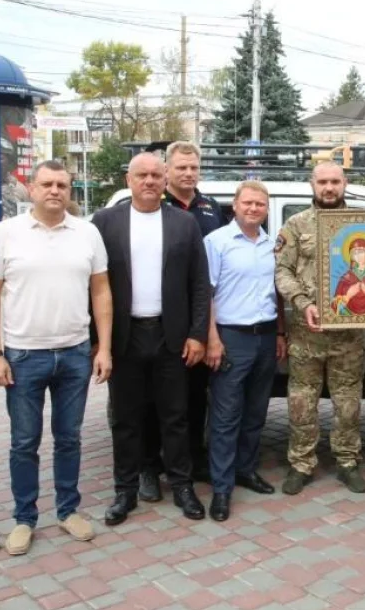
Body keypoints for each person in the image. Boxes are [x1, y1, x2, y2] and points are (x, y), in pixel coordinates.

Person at [0, 160, 113, 556]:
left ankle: (68, 510)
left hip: (75, 354)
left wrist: (104, 348)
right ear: (32, 188)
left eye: (62, 185)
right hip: (23, 356)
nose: (55, 191)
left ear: (70, 190)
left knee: (69, 438)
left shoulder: (87, 233)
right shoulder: (6, 233)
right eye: (47, 184)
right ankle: (24, 518)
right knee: (24, 442)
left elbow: (101, 292)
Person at [91, 153, 211, 527]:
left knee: (175, 416)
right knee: (126, 418)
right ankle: (125, 491)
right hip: (124, 336)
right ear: (128, 179)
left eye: (156, 175)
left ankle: (182, 486)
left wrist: (197, 334)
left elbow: (199, 283)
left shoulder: (183, 223)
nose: (149, 181)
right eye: (141, 175)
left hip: (170, 336)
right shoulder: (105, 222)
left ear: (164, 181)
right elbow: (91, 284)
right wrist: (98, 342)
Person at [274, 162, 365, 496]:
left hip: (348, 335)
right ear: (312, 185)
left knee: (348, 402)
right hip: (306, 333)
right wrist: (302, 302)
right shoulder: (296, 225)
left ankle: (347, 461)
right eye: (322, 182)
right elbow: (282, 271)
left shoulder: (364, 223)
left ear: (345, 183)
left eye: (335, 181)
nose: (329, 187)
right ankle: (301, 463)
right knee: (301, 401)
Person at [140, 141, 227, 499]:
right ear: (167, 170)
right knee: (152, 400)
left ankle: (192, 459)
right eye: (181, 168)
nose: (188, 173)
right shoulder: (153, 206)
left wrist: (207, 330)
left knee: (194, 396)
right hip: (161, 320)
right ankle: (149, 466)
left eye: (193, 167)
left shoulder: (212, 208)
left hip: (200, 318)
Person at [204, 181, 287, 521]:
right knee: (225, 417)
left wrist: (280, 332)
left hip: (265, 336)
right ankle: (221, 488)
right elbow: (206, 294)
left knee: (256, 412)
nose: (254, 208)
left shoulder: (273, 245)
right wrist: (212, 338)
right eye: (248, 203)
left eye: (260, 204)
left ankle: (245, 470)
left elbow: (277, 292)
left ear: (266, 209)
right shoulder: (216, 242)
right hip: (230, 337)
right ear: (235, 205)